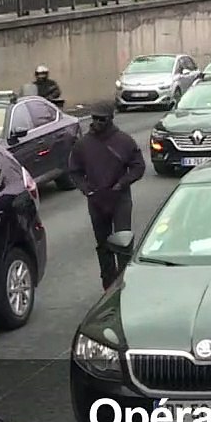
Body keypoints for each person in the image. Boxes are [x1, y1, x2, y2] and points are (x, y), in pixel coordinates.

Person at [67, 102, 145, 290]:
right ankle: (108, 285)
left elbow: (138, 166)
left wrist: (122, 183)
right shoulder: (83, 144)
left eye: (102, 119)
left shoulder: (124, 141)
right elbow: (74, 171)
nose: (97, 123)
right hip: (96, 200)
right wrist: (87, 190)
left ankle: (126, 282)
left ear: (110, 119)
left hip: (120, 199)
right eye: (94, 118)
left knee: (123, 242)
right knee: (103, 244)